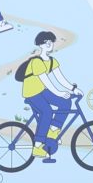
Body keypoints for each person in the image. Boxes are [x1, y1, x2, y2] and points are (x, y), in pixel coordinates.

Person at [18, 31, 78, 163]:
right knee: (47, 112)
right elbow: (46, 80)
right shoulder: (36, 62)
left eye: (51, 42)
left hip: (42, 91)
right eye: (46, 42)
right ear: (40, 45)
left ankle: (52, 131)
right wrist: (59, 92)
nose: (50, 44)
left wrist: (73, 89)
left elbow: (60, 78)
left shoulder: (52, 61)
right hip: (31, 92)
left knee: (66, 103)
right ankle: (37, 146)